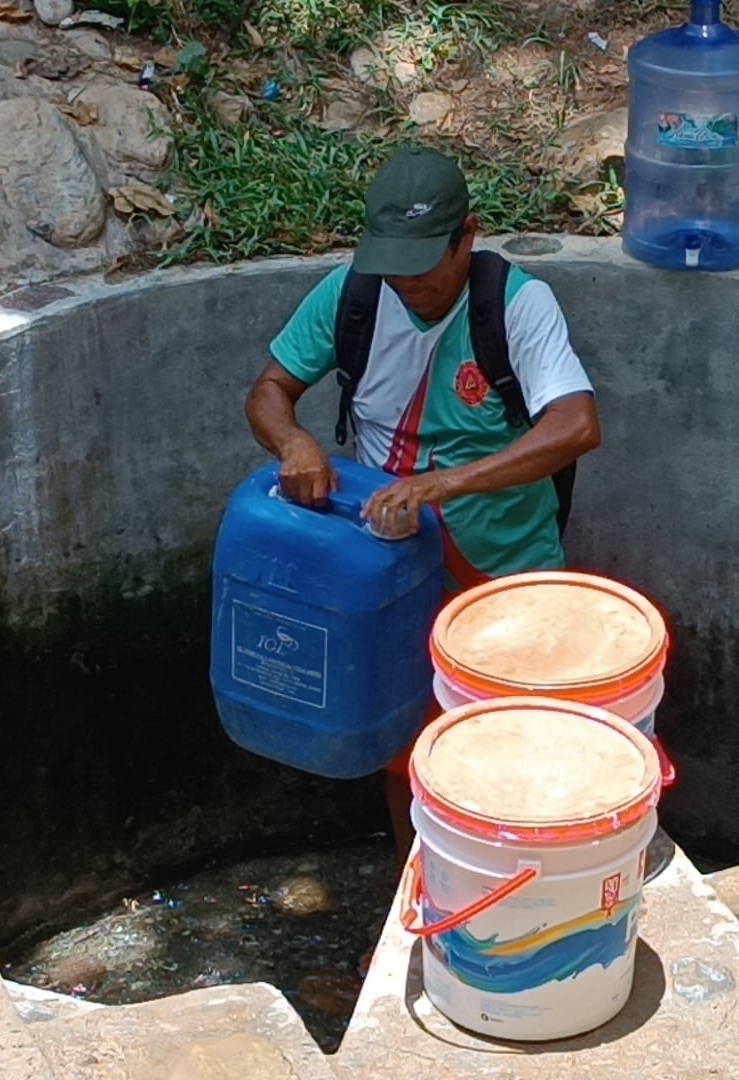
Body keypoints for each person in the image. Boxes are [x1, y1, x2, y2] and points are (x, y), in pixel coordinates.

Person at [244, 145, 602, 856]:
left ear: (467, 236)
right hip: (392, 572)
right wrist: (293, 443)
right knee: (402, 742)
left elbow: (577, 425)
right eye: (393, 264)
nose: (409, 283)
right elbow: (269, 392)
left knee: (509, 748)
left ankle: (514, 900)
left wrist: (447, 483)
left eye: (425, 265)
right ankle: (416, 892)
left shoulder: (518, 307)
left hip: (506, 576)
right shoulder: (352, 297)